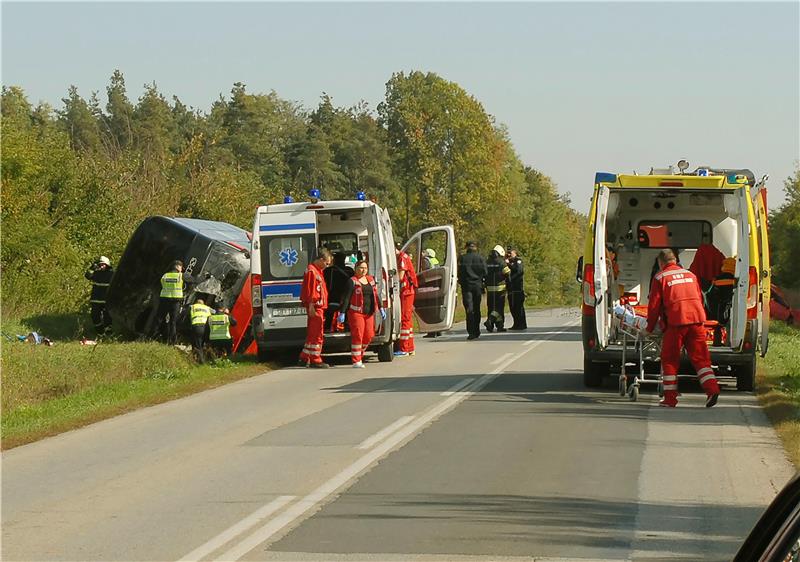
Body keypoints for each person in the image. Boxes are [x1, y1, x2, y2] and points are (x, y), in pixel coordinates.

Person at [646, 249, 721, 408]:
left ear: (661, 263)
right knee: (701, 359)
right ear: (676, 260)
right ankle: (712, 389)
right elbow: (700, 299)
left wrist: (649, 328)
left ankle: (670, 399)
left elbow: (654, 306)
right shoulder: (690, 275)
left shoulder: (660, 277)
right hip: (697, 321)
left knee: (670, 360)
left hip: (676, 322)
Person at [339, 260, 385, 368]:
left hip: (369, 313)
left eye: (365, 268)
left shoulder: (370, 280)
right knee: (358, 335)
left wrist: (381, 307)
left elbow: (376, 294)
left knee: (369, 335)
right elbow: (346, 298)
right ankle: (356, 360)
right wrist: (342, 313)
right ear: (356, 269)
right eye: (361, 268)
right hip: (356, 313)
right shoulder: (352, 281)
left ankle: (360, 354)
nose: (363, 270)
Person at [299, 248, 333, 368]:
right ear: (320, 260)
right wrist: (311, 305)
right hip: (316, 307)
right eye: (326, 263)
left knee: (312, 334)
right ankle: (315, 359)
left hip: (317, 306)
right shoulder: (313, 272)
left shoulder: (317, 271)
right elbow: (311, 291)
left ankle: (305, 356)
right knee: (317, 333)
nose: (327, 266)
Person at [458, 241, 487, 340]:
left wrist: (461, 282)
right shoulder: (480, 258)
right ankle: (477, 330)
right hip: (477, 285)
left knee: (469, 309)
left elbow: (459, 273)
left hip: (466, 286)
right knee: (476, 308)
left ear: (467, 248)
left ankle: (471, 332)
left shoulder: (463, 258)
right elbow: (485, 272)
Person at [394, 243, 418, 356]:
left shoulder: (402, 258)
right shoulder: (403, 257)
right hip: (407, 291)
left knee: (404, 319)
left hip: (407, 291)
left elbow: (400, 276)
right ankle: (410, 347)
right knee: (408, 320)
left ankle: (404, 349)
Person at [157, 260, 186, 344]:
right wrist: (205, 277)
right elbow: (195, 280)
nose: (181, 269)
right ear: (177, 266)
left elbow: (162, 285)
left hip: (164, 299)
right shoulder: (181, 276)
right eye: (181, 267)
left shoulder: (165, 275)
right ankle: (173, 341)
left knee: (159, 318)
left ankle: (152, 336)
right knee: (173, 321)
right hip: (175, 301)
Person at [323, 252, 354, 331]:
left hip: (332, 298)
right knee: (347, 313)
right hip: (347, 298)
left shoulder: (328, 271)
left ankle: (327, 328)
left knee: (329, 315)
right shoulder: (350, 271)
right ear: (344, 260)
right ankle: (347, 328)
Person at [85, 255, 114, 336]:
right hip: (96, 300)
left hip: (106, 300)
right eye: (100, 264)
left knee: (107, 317)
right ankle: (100, 333)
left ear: (107, 265)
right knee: (95, 316)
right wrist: (92, 268)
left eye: (103, 264)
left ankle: (108, 333)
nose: (102, 266)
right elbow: (87, 276)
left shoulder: (112, 274)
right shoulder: (96, 274)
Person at [484, 245, 510, 333]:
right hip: (500, 289)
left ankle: (492, 326)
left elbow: (484, 274)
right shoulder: (501, 262)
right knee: (499, 308)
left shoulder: (487, 262)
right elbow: (507, 274)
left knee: (491, 307)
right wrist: (509, 284)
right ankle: (491, 321)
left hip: (489, 289)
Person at [506, 247, 527, 330]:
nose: (508, 255)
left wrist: (509, 265)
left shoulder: (518, 261)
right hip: (511, 289)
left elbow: (519, 271)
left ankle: (522, 324)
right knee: (513, 307)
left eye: (510, 253)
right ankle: (516, 324)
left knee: (518, 307)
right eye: (508, 253)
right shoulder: (509, 262)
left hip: (517, 288)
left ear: (515, 253)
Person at [189, 297, 213, 364]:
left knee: (198, 345)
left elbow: (186, 315)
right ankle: (211, 360)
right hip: (206, 328)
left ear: (196, 303)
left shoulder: (193, 306)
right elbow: (215, 313)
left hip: (197, 326)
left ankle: (201, 362)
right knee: (205, 344)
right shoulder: (207, 308)